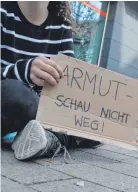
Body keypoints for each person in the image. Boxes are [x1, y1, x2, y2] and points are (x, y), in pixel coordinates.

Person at [1, 2, 101, 161]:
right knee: (19, 97)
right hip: (14, 100)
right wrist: (24, 70)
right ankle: (59, 138)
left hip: (42, 107)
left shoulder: (61, 25)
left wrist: (118, 104)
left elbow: (68, 85)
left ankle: (42, 138)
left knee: (96, 120)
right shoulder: (3, 11)